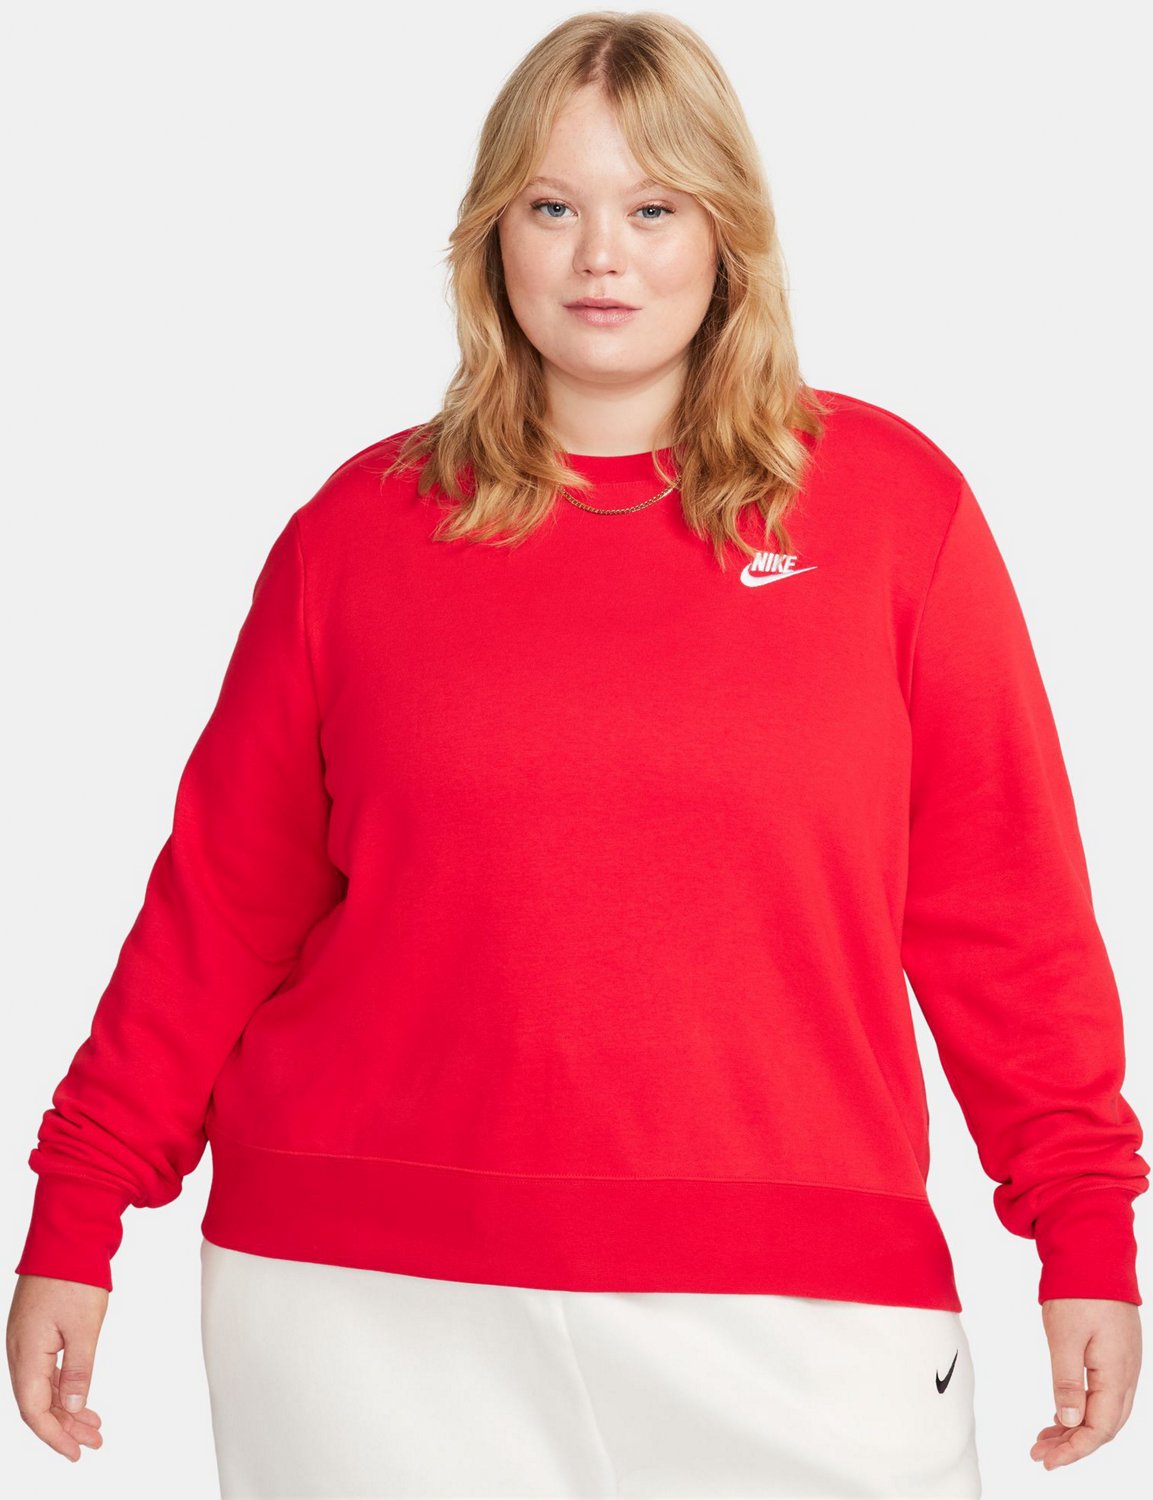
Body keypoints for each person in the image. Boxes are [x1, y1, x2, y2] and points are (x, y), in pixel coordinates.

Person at [7, 11, 1147, 1498]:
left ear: (726, 233)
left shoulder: (889, 516)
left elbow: (1003, 913)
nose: (601, 256)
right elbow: (218, 908)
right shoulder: (356, 536)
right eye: (552, 207)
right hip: (364, 1306)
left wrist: (1082, 1226)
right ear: (493, 237)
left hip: (798, 1305)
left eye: (652, 208)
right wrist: (79, 1209)